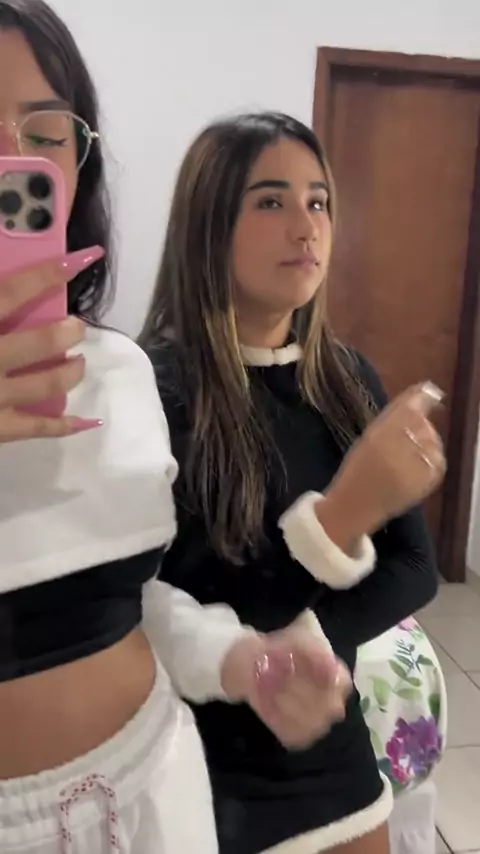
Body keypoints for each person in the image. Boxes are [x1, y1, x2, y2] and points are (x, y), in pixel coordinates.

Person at [0, 7, 353, 854]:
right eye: (270, 201)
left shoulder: (123, 373)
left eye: (43, 136)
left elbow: (127, 602)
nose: (9, 163)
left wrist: (237, 659)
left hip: (158, 789)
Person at [139, 111, 445, 854]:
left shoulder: (346, 377)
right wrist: (340, 518)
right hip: (199, 766)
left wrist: (304, 648)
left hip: (329, 756)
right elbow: (173, 603)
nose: (307, 229)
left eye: (319, 202)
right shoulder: (152, 387)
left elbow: (415, 567)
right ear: (209, 225)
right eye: (271, 201)